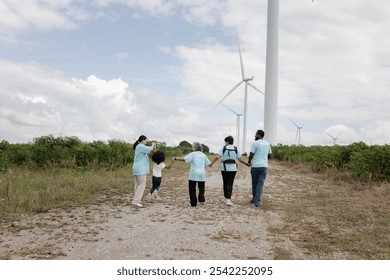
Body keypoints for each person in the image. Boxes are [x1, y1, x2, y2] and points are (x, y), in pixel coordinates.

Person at [210, 136, 248, 206]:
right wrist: (247, 164)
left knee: (225, 183)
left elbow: (217, 157)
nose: (225, 143)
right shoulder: (235, 149)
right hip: (233, 169)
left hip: (224, 168)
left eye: (225, 142)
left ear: (227, 142)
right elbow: (240, 159)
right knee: (230, 184)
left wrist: (212, 163)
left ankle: (226, 198)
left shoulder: (223, 148)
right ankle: (228, 199)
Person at [173, 142, 211, 207]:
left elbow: (185, 159)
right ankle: (201, 199)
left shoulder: (192, 154)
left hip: (194, 174)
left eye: (192, 146)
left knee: (192, 188)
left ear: (194, 148)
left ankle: (193, 203)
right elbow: (209, 164)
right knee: (201, 187)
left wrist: (176, 158)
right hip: (202, 173)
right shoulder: (203, 155)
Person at [247, 130, 272, 207]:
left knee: (254, 183)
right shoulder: (267, 144)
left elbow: (251, 154)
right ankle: (256, 200)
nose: (255, 136)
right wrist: (265, 160)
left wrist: (249, 162)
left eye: (256, 134)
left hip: (255, 166)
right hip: (264, 166)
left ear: (259, 135)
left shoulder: (255, 143)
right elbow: (270, 155)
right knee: (260, 183)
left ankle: (255, 199)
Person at [132, 135, 156, 207]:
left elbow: (149, 150)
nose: (146, 141)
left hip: (137, 169)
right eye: (146, 140)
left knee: (138, 184)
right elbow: (150, 149)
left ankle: (136, 199)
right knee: (141, 185)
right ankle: (136, 201)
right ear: (142, 140)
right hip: (140, 169)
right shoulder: (140, 146)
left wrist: (152, 147)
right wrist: (153, 144)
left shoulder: (140, 147)